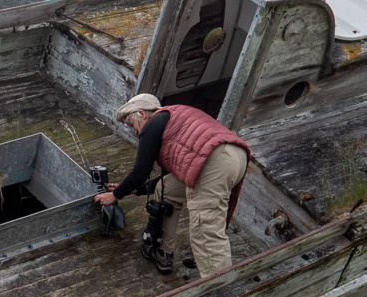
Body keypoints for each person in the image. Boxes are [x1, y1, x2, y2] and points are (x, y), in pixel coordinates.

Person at [94, 93, 252, 278]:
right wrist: (137, 189)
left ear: (142, 114)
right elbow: (172, 174)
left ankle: (220, 289)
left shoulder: (153, 123)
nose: (135, 132)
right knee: (165, 189)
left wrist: (115, 195)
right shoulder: (172, 119)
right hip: (232, 155)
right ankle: (164, 253)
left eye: (132, 125)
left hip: (213, 162)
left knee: (204, 231)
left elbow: (141, 171)